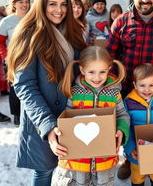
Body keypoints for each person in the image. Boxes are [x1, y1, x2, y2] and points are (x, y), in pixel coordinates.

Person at [7, 0, 86, 186]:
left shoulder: (74, 32)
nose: (58, 10)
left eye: (63, 4)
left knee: (71, 170)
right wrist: (48, 126)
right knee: (44, 172)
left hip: (71, 115)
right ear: (41, 5)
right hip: (42, 118)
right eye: (52, 4)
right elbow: (24, 87)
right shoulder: (29, 35)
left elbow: (84, 69)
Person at [107, 0, 153, 179]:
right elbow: (110, 57)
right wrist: (113, 83)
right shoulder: (120, 22)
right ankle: (129, 158)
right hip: (127, 88)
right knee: (128, 125)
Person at [51, 46, 130, 186]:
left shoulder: (113, 93)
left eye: (102, 72)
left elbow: (122, 114)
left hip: (103, 160)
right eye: (91, 72)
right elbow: (66, 117)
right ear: (82, 70)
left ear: (109, 69)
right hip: (77, 161)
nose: (97, 77)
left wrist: (121, 130)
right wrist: (60, 134)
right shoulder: (74, 92)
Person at [124, 63, 153, 186]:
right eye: (142, 85)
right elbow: (126, 126)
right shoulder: (129, 102)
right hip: (137, 149)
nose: (146, 89)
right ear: (135, 85)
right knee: (137, 176)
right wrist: (130, 148)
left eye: (151, 85)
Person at [0, 0, 30, 126]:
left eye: (26, 2)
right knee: (15, 89)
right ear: (14, 4)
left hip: (32, 59)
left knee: (31, 88)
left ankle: (30, 114)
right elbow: (0, 42)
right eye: (21, 2)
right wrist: (5, 57)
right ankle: (17, 115)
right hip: (14, 61)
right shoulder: (6, 21)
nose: (24, 5)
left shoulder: (33, 18)